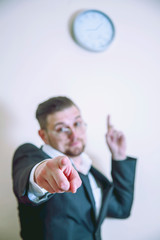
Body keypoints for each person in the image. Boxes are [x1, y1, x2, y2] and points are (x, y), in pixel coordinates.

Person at [12, 96, 137, 240]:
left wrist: (119, 156)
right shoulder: (32, 155)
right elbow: (28, 179)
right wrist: (40, 173)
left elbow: (122, 209)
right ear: (44, 136)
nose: (74, 134)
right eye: (62, 129)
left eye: (77, 123)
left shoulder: (91, 174)